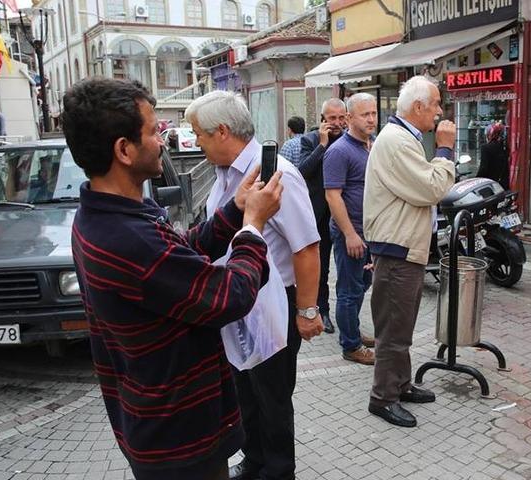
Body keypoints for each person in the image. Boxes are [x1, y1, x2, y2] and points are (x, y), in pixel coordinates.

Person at [63, 78, 282, 480]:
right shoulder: (127, 237)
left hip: (156, 422)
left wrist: (234, 211)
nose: (164, 140)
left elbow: (179, 257)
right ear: (124, 150)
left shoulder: (107, 216)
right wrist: (253, 227)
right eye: (153, 131)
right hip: (179, 438)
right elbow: (227, 296)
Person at [186, 91, 323, 480]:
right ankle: (256, 460)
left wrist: (307, 311)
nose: (195, 142)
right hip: (239, 300)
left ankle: (279, 470)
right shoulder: (226, 174)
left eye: (199, 134)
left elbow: (307, 246)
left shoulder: (276, 174)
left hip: (276, 305)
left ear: (222, 131)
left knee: (273, 398)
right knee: (245, 391)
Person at [363, 75, 456, 428]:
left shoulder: (402, 138)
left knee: (401, 325)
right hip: (397, 250)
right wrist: (445, 150)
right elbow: (432, 187)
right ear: (417, 107)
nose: (439, 112)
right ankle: (383, 398)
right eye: (434, 104)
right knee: (394, 330)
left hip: (404, 248)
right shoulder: (398, 141)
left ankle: (400, 385)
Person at [324, 93, 377, 366]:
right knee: (349, 289)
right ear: (348, 119)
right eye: (364, 114)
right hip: (351, 232)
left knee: (362, 284)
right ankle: (351, 345)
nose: (370, 119)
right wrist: (350, 234)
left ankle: (352, 330)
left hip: (370, 233)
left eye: (373, 113)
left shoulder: (373, 145)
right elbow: (333, 196)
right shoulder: (339, 151)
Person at [298, 98, 348, 334]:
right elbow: (303, 171)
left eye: (341, 118)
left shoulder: (351, 140)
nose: (337, 123)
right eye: (332, 118)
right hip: (318, 213)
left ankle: (348, 312)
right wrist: (322, 144)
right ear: (322, 120)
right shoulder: (310, 140)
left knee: (349, 264)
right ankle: (323, 310)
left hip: (345, 213)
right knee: (322, 266)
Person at [476, 122, 509, 190]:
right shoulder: (506, 149)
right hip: (503, 185)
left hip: (489, 185)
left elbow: (483, 168)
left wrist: (476, 180)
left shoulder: (486, 148)